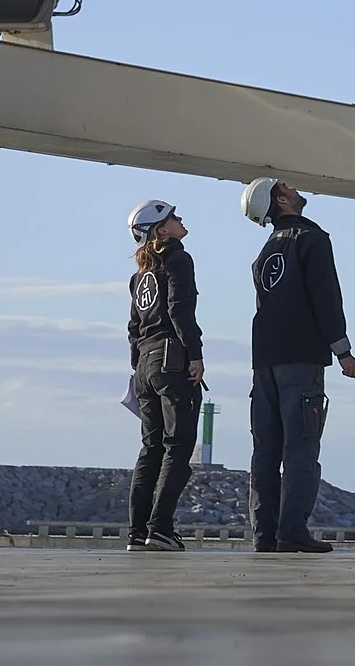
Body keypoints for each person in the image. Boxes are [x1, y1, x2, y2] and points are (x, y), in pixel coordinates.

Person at [240, 177, 355, 553]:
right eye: (288, 187)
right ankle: (292, 531)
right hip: (301, 361)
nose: (295, 188)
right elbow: (326, 298)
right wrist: (343, 352)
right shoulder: (312, 239)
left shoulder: (264, 252)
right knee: (301, 449)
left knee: (265, 450)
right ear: (280, 199)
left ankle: (264, 534)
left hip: (264, 361)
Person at [124, 198, 203, 553]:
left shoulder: (140, 275)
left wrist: (138, 364)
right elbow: (179, 307)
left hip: (144, 365)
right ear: (161, 230)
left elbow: (133, 327)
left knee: (150, 449)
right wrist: (195, 354)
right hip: (172, 358)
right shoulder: (178, 259)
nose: (180, 219)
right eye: (173, 217)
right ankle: (161, 529)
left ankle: (137, 534)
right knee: (178, 446)